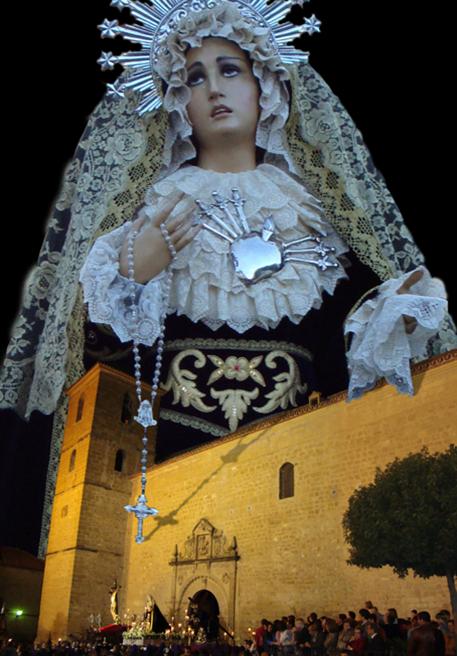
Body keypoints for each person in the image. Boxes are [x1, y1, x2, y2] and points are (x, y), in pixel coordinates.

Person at [1, 0, 456, 546]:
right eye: (195, 78)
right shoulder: (151, 212)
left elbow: (340, 349)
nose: (214, 89)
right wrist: (132, 275)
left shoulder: (318, 215)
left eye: (230, 70)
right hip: (168, 456)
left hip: (295, 449)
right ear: (177, 102)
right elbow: (99, 371)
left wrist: (391, 324)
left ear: (266, 87)